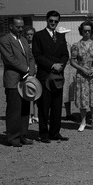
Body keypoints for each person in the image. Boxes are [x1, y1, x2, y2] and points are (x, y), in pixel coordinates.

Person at [0, 16, 36, 147]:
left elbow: (30, 57)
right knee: (14, 110)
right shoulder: (5, 40)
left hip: (26, 80)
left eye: (22, 27)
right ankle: (12, 137)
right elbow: (10, 59)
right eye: (18, 27)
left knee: (25, 109)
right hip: (13, 80)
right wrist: (26, 69)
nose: (20, 29)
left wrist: (30, 71)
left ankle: (23, 135)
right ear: (11, 26)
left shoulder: (24, 40)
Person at [32, 10, 70, 143]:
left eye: (56, 21)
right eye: (51, 21)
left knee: (57, 105)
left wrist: (61, 65)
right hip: (45, 75)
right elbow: (37, 55)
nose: (53, 23)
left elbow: (65, 54)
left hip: (58, 76)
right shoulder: (39, 36)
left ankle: (55, 132)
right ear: (46, 20)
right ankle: (43, 133)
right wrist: (52, 65)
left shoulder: (60, 37)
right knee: (44, 106)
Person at [71, 21, 93, 132]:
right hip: (82, 75)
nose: (87, 33)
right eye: (85, 30)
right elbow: (72, 61)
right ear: (81, 31)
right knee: (83, 99)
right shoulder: (76, 45)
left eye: (89, 31)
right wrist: (81, 69)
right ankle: (83, 121)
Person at [24, 26, 39, 124]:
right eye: (28, 34)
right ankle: (28, 116)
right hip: (27, 72)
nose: (30, 36)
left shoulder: (37, 45)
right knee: (28, 94)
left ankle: (36, 115)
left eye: (31, 34)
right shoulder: (24, 45)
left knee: (37, 95)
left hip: (37, 71)